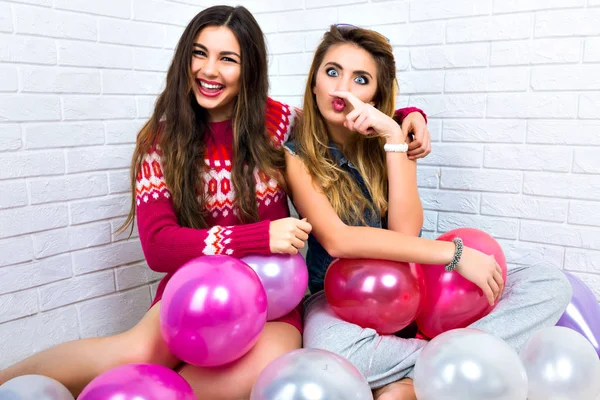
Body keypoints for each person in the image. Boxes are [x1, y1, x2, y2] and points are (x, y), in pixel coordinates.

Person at [0, 7, 432, 399]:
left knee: (241, 373)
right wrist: (258, 236)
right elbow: (158, 247)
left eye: (228, 59)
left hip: (273, 303)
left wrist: (406, 116)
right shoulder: (160, 142)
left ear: (249, 69)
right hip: (194, 296)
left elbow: (336, 117)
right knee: (133, 353)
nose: (210, 70)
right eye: (199, 54)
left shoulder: (278, 122)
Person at [283, 25, 572, 400]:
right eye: (332, 72)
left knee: (548, 283)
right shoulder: (294, 155)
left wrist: (393, 139)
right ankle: (448, 364)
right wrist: (456, 254)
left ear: (376, 93)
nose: (342, 89)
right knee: (333, 351)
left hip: (414, 282)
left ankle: (407, 372)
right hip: (338, 297)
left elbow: (406, 231)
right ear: (315, 82)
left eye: (361, 79)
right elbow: (339, 240)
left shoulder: (396, 136)